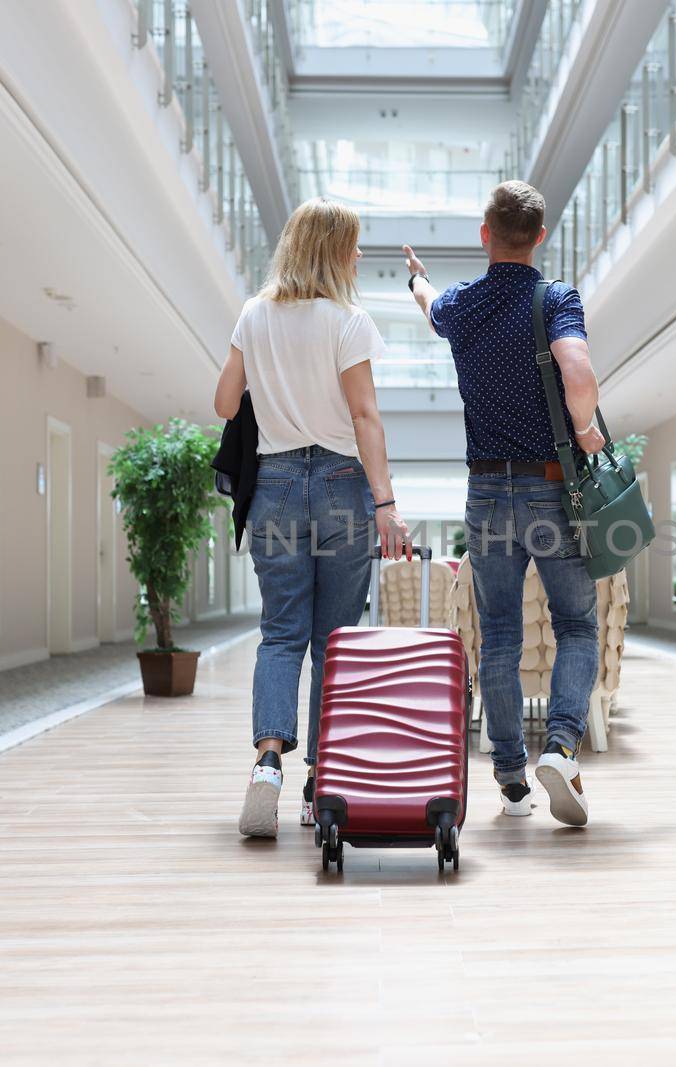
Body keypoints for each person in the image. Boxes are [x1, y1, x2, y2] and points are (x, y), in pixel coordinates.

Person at [403, 180, 605, 827]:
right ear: (539, 236)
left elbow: (432, 306)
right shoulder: (555, 300)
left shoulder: (462, 305)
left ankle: (514, 780)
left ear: (485, 234)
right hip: (551, 487)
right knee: (576, 624)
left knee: (498, 640)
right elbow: (577, 370)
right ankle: (564, 745)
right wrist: (588, 429)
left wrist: (416, 282)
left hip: (486, 493)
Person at [215, 197, 412, 839]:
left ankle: (267, 766)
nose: (358, 257)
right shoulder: (348, 322)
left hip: (272, 484)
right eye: (352, 245)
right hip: (340, 483)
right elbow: (365, 418)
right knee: (334, 640)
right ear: (331, 250)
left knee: (280, 635)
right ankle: (321, 783)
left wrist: (274, 380)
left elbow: (224, 402)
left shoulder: (254, 313)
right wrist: (385, 504)